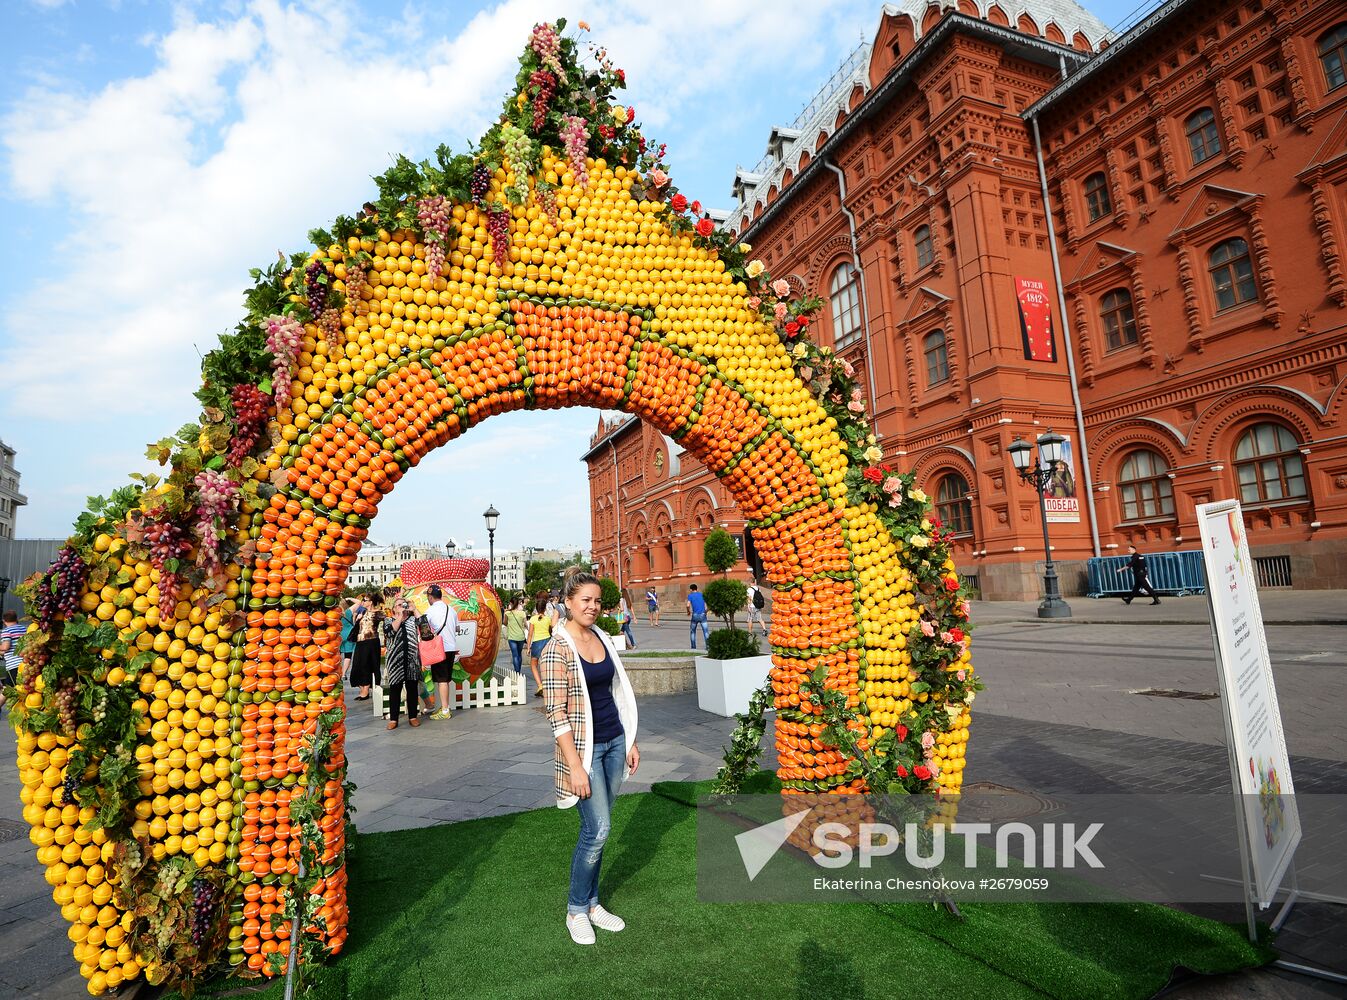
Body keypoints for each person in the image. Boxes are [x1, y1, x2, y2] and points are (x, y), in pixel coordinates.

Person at [541, 571, 639, 946]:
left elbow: (616, 692)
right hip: (585, 750)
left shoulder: (600, 636)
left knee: (603, 827)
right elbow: (556, 712)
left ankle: (594, 903)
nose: (592, 607)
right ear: (568, 601)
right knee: (596, 830)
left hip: (615, 742)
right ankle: (576, 909)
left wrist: (629, 739)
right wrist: (575, 765)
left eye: (597, 601)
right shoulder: (557, 649)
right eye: (585, 600)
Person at [381, 597, 422, 729]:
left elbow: (424, 625)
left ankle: (413, 717)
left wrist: (414, 609)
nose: (401, 607)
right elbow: (390, 632)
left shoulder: (411, 620)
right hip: (395, 660)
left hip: (411, 659)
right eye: (398, 605)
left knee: (412, 689)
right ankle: (394, 719)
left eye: (403, 604)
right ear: (393, 608)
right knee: (395, 689)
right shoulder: (388, 620)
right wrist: (399, 616)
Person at [423, 585, 459, 720]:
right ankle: (443, 707)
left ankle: (445, 710)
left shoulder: (430, 611)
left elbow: (424, 631)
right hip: (451, 648)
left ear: (430, 597)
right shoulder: (452, 610)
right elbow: (457, 629)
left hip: (439, 649)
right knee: (445, 679)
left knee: (442, 680)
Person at [348, 593, 385, 699]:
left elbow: (388, 620)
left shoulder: (378, 613)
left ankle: (366, 690)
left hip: (371, 641)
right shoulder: (362, 612)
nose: (363, 601)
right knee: (357, 666)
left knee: (367, 665)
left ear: (371, 602)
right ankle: (362, 689)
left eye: (365, 600)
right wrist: (357, 619)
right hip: (360, 642)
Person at [528, 593, 558, 698]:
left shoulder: (533, 619)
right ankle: (548, 685)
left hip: (536, 643)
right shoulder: (548, 619)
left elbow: (530, 634)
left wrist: (528, 647)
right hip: (547, 641)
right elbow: (551, 629)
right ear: (545, 609)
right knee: (546, 665)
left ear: (536, 608)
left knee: (533, 665)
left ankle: (540, 685)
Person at [1, 609, 25, 711]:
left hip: (14, 666)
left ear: (4, 621)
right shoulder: (24, 629)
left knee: (7, 690)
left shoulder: (7, 631)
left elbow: (6, 646)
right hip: (25, 664)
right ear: (17, 619)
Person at [504, 595, 529, 678]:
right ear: (518, 603)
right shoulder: (522, 613)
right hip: (520, 637)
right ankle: (519, 670)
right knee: (519, 654)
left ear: (511, 603)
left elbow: (505, 623)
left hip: (512, 637)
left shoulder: (508, 613)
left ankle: (517, 672)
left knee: (515, 655)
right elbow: (525, 624)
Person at [339, 597, 359, 682]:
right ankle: (343, 674)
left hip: (338, 635)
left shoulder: (336, 613)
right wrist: (349, 598)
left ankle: (337, 672)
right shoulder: (348, 611)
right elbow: (359, 602)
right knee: (348, 655)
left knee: (337, 654)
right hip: (349, 635)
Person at [686, 583, 709, 650]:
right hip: (703, 615)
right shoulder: (702, 595)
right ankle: (708, 646)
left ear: (691, 589)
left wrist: (688, 611)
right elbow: (708, 605)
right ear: (697, 589)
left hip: (695, 615)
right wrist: (706, 611)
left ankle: (693, 647)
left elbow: (687, 605)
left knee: (693, 631)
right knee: (706, 631)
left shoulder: (690, 596)